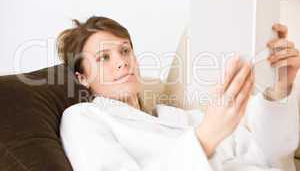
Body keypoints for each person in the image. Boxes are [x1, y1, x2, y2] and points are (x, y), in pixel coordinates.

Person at [58, 16, 300, 171]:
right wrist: (204, 140)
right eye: (104, 58)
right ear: (83, 78)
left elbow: (271, 155)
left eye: (125, 51)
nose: (122, 62)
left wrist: (279, 89)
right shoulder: (83, 117)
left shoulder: (180, 117)